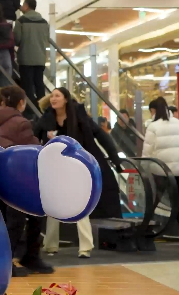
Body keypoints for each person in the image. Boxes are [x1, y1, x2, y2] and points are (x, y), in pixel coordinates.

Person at [38, 88, 122, 257]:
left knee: (80, 203)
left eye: (57, 96)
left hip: (79, 166)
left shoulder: (79, 116)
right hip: (56, 168)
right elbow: (34, 137)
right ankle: (50, 244)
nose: (53, 99)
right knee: (52, 204)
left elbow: (101, 136)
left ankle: (85, 246)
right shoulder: (46, 118)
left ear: (66, 99)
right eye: (52, 96)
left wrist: (114, 157)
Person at [0, 87, 53, 277]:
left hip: (0, 175)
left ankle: (19, 258)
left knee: (16, 219)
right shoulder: (21, 122)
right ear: (21, 103)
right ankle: (18, 260)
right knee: (28, 216)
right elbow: (33, 149)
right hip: (18, 177)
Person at [142, 97, 179, 249]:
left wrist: (143, 166)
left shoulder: (153, 126)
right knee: (178, 203)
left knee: (153, 201)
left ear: (153, 110)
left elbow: (147, 151)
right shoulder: (177, 123)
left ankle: (143, 231)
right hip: (178, 169)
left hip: (161, 170)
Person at [14, 0, 51, 106]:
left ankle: (30, 109)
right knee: (39, 84)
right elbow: (46, 39)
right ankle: (42, 107)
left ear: (26, 6)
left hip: (26, 58)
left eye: (23, 5)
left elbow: (17, 40)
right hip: (40, 58)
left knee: (27, 85)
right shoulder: (44, 22)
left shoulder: (21, 21)